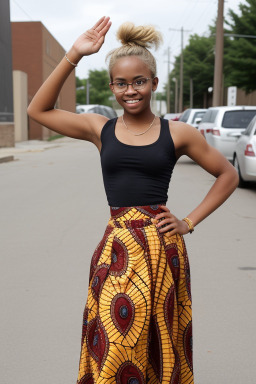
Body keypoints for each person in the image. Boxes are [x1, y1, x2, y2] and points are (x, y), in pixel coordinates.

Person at [27, 16, 239, 384]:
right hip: (116, 248)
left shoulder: (179, 133)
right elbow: (38, 111)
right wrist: (74, 54)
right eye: (121, 83)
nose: (131, 90)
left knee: (156, 339)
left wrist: (188, 222)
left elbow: (228, 175)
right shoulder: (99, 128)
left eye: (139, 81)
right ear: (111, 87)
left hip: (161, 250)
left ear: (154, 83)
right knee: (114, 340)